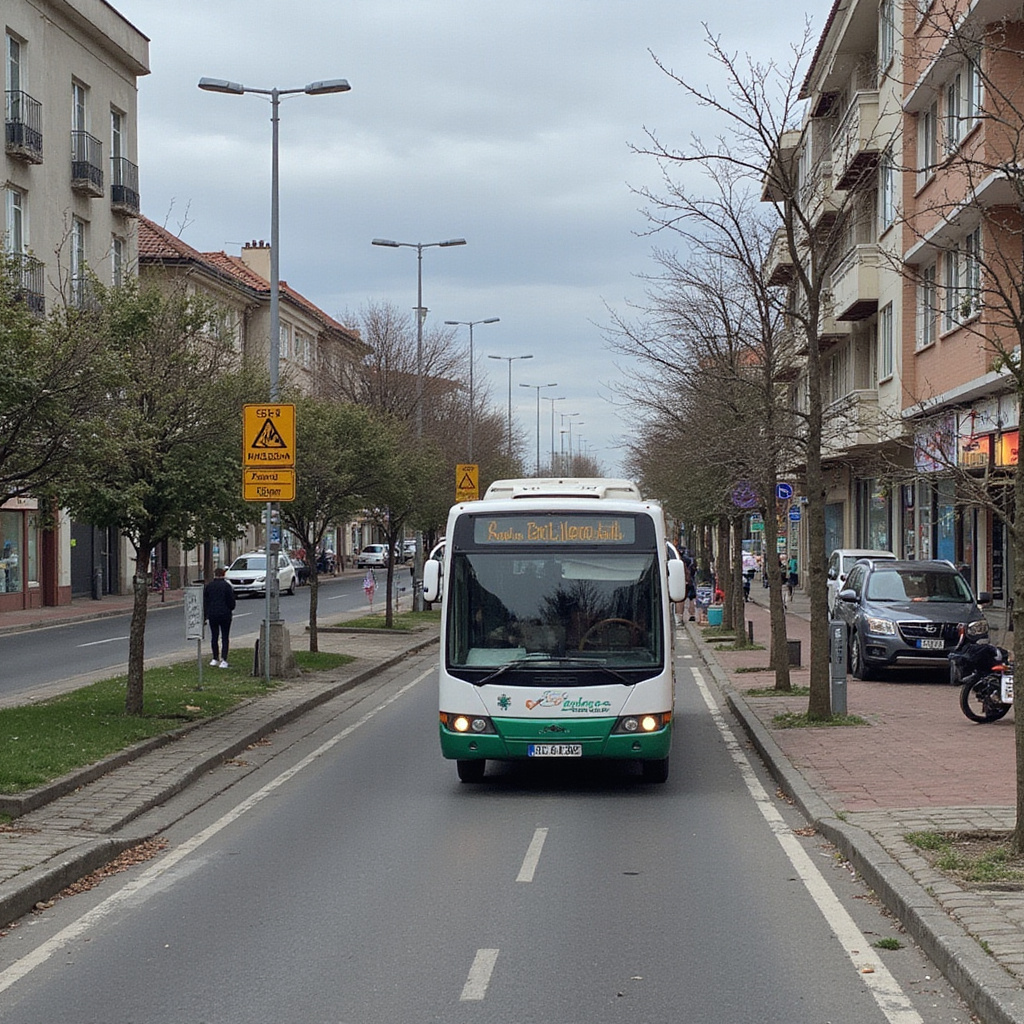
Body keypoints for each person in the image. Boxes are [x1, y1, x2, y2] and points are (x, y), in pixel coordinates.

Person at [203, 566, 236, 669]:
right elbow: (232, 603)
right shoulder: (227, 586)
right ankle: (224, 660)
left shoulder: (209, 586)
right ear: (224, 574)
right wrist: (230, 608)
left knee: (214, 636)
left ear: (215, 574)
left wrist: (205, 615)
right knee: (225, 637)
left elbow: (205, 602)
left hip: (212, 614)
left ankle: (215, 658)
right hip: (225, 615)